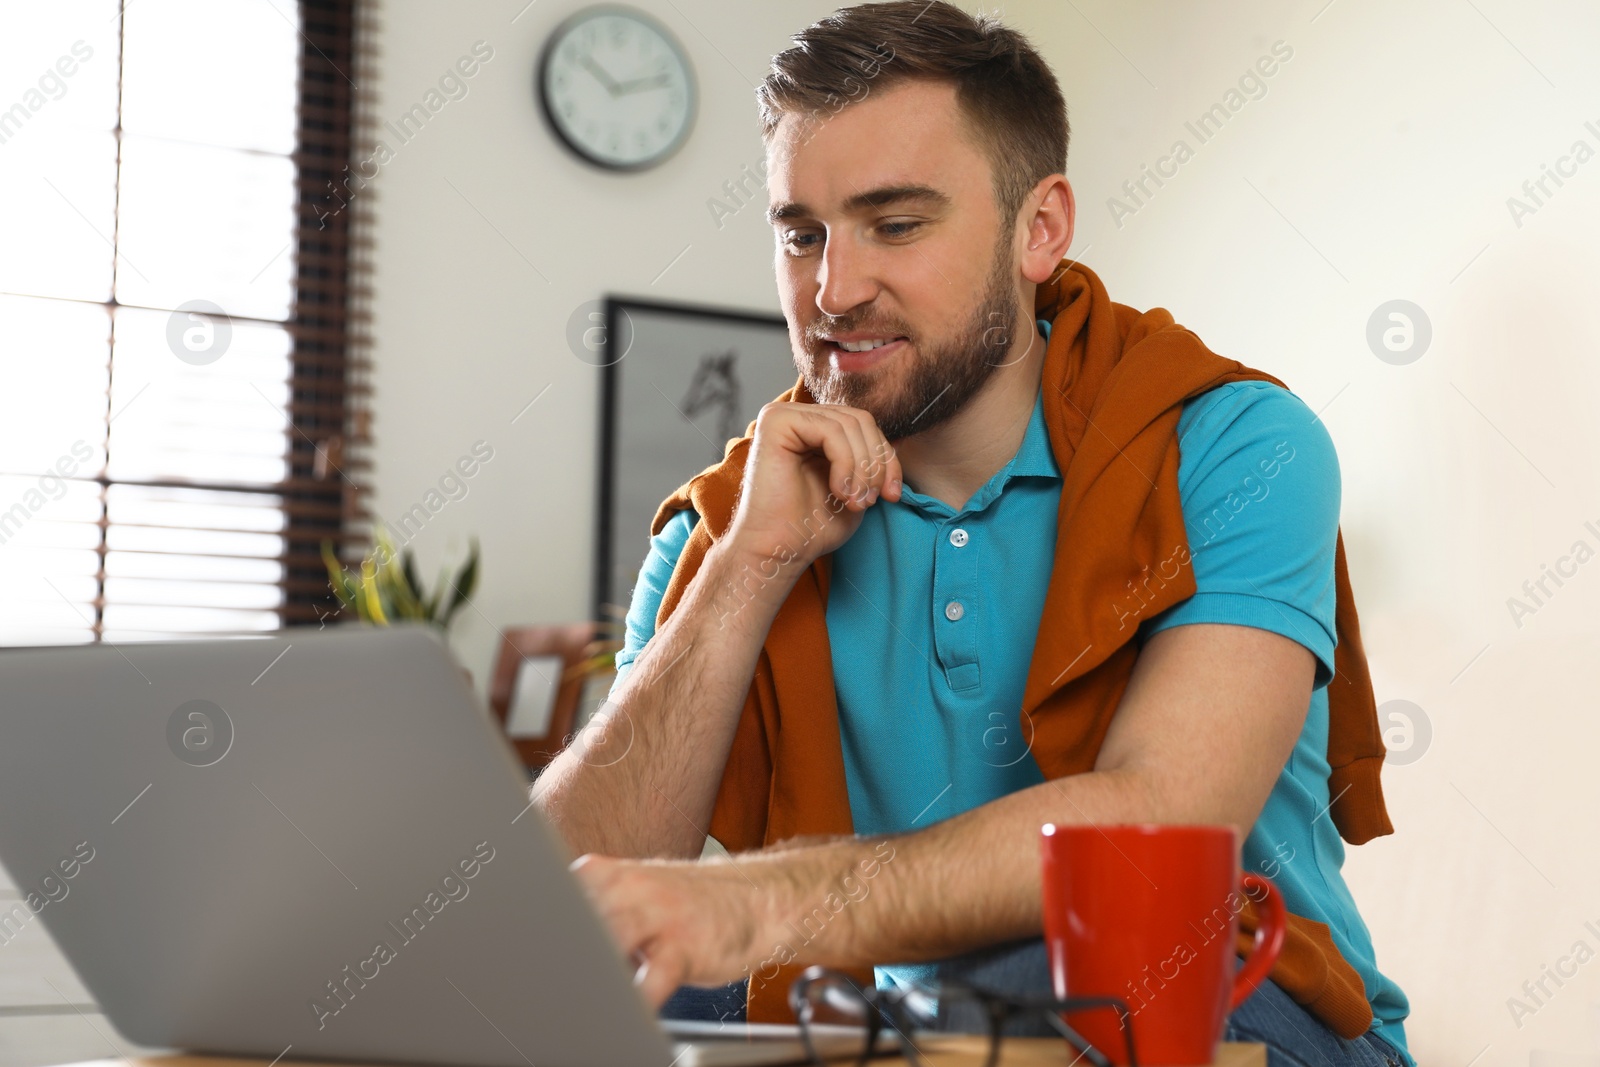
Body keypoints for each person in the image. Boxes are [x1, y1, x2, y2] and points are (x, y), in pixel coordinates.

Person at [533, 4, 1413, 1065]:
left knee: (1044, 959)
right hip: (914, 1025)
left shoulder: (1234, 446)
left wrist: (760, 902)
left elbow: (1160, 827)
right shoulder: (728, 520)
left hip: (1239, 1011)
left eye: (895, 224)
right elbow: (571, 910)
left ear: (1038, 229)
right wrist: (749, 567)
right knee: (673, 986)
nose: (832, 291)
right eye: (801, 233)